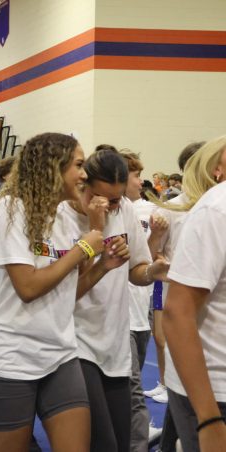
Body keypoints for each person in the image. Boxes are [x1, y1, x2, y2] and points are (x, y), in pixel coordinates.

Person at [0, 133, 105, 452]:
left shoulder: (63, 217)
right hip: (10, 358)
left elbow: (68, 291)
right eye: (78, 165)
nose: (84, 174)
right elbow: (28, 287)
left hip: (60, 354)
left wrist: (103, 262)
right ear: (51, 167)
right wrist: (84, 247)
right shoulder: (9, 208)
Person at [65, 148, 168, 451]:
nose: (110, 206)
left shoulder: (124, 209)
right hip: (74, 339)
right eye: (103, 198)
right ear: (83, 185)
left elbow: (136, 269)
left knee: (123, 439)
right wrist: (95, 229)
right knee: (102, 441)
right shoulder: (63, 216)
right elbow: (68, 289)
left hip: (114, 338)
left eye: (117, 198)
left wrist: (152, 271)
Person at [148, 137, 224, 452]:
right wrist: (208, 419)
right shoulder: (215, 209)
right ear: (217, 169)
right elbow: (178, 313)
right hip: (216, 388)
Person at [120, 150, 167, 449]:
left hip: (140, 304)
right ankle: (135, 435)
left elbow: (142, 262)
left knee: (128, 383)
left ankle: (127, 431)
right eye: (136, 175)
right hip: (119, 310)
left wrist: (155, 237)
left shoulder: (150, 210)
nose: (141, 181)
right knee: (132, 385)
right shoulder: (110, 212)